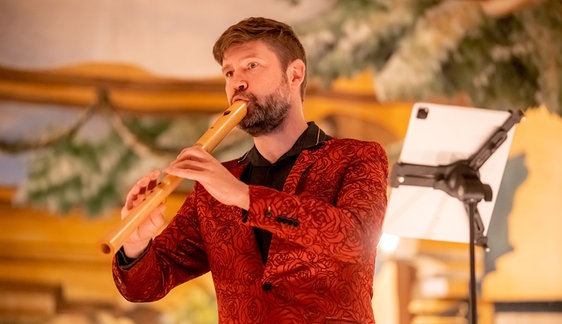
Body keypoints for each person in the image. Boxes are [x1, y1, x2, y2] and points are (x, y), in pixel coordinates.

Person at [112, 17, 389, 323]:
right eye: (229, 72)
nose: (237, 82)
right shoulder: (212, 188)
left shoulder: (357, 157)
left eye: (252, 65)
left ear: (294, 73)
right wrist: (136, 243)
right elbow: (148, 285)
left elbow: (357, 240)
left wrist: (244, 197)